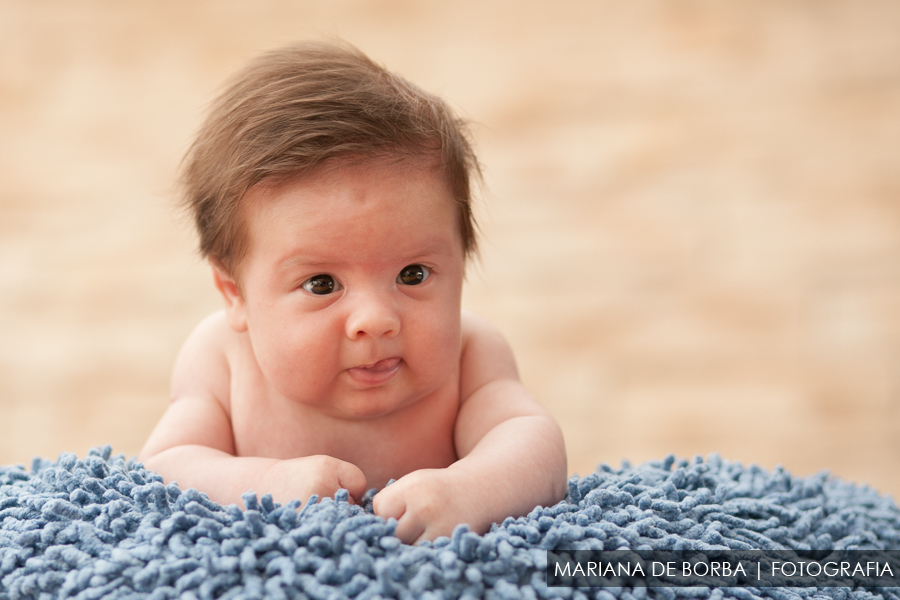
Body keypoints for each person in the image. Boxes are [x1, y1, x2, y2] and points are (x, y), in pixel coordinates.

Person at [139, 41, 566, 544]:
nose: (375, 319)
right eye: (322, 284)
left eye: (412, 274)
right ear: (235, 294)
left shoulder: (471, 355)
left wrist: (470, 490)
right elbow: (164, 468)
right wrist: (264, 484)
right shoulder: (222, 361)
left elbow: (535, 445)